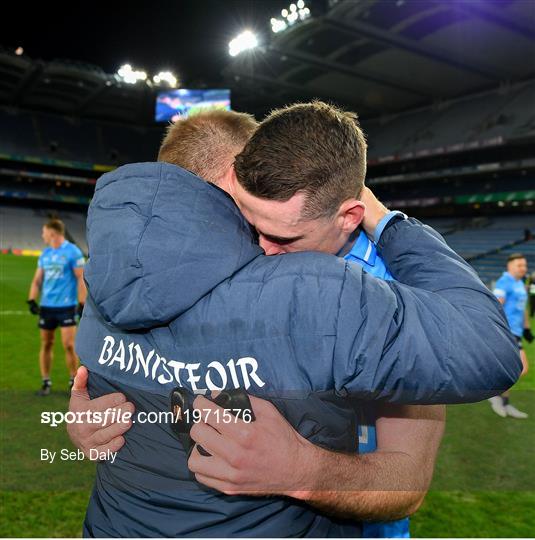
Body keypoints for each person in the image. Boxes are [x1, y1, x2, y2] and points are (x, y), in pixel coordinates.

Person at [73, 104, 519, 536]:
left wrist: (303, 471)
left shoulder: (381, 290)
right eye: (243, 219)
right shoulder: (134, 271)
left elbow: (407, 480)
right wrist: (91, 422)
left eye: (276, 231)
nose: (259, 248)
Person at [27, 218, 86, 396]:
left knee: (69, 345)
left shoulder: (73, 252)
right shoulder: (45, 254)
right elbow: (37, 280)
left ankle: (72, 381)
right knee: (46, 343)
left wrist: (82, 303)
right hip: (47, 307)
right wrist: (31, 299)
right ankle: (46, 381)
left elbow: (80, 278)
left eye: (44, 232)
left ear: (52, 233)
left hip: (67, 306)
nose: (42, 235)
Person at [489, 253, 532, 418]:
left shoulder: (520, 283)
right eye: (519, 265)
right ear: (510, 266)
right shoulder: (504, 282)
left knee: (514, 370)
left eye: (524, 265)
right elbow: (496, 306)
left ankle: (503, 402)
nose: (523, 268)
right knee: (520, 368)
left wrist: (527, 328)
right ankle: (496, 396)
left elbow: (523, 308)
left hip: (517, 332)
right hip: (507, 332)